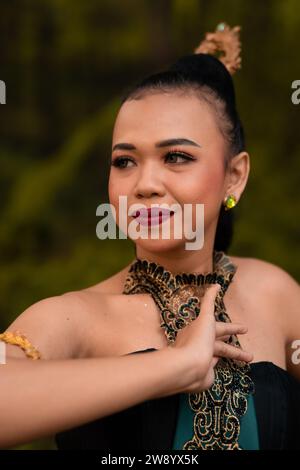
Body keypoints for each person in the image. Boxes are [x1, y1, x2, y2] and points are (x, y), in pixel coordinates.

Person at [1, 23, 299, 451]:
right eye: (124, 161)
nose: (145, 184)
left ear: (235, 176)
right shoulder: (75, 317)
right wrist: (175, 367)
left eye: (176, 157)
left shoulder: (275, 294)